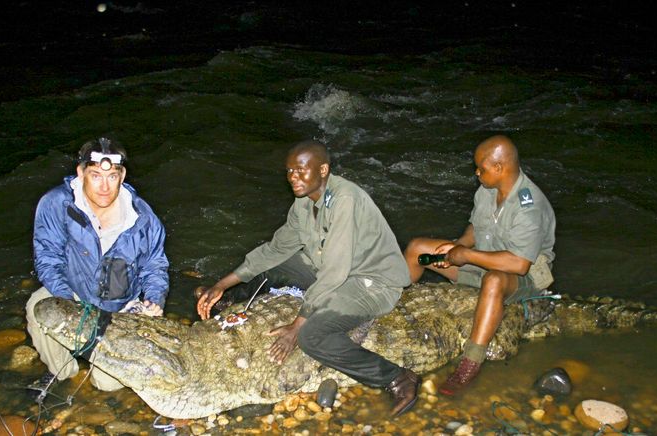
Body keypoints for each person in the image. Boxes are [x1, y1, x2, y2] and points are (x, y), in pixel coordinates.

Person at [196, 140, 420, 416]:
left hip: (371, 282)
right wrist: (222, 284)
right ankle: (227, 302)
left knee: (312, 337)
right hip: (330, 268)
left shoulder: (345, 199)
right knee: (277, 263)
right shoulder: (304, 202)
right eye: (289, 171)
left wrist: (296, 326)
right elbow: (277, 248)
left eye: (301, 170)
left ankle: (396, 378)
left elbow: (335, 272)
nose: (293, 177)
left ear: (323, 170)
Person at [404, 135, 556, 396]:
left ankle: (470, 363)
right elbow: (476, 227)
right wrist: (457, 246)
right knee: (418, 248)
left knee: (494, 280)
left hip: (521, 279)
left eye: (481, 168)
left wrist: (466, 256)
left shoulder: (529, 206)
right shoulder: (487, 189)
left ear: (499, 168)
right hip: (481, 262)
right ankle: (392, 301)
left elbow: (519, 264)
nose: (476, 173)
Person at [26, 137, 169, 394]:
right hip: (72, 293)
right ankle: (61, 371)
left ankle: (99, 359)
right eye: (95, 176)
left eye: (112, 177)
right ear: (81, 173)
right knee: (40, 307)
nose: (104, 187)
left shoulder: (144, 217)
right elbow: (48, 258)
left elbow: (155, 266)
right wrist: (67, 302)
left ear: (122, 176)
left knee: (107, 385)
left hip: (118, 306)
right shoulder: (56, 204)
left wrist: (155, 299)